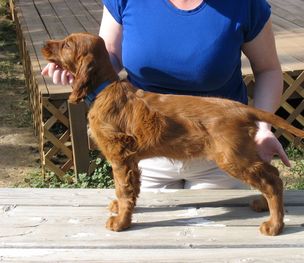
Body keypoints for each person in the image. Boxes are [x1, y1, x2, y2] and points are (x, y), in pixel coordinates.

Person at [42, 0, 290, 189]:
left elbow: (267, 70)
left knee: (219, 244)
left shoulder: (245, 4)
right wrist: (78, 70)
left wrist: (261, 128)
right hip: (145, 152)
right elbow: (110, 58)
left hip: (218, 148)